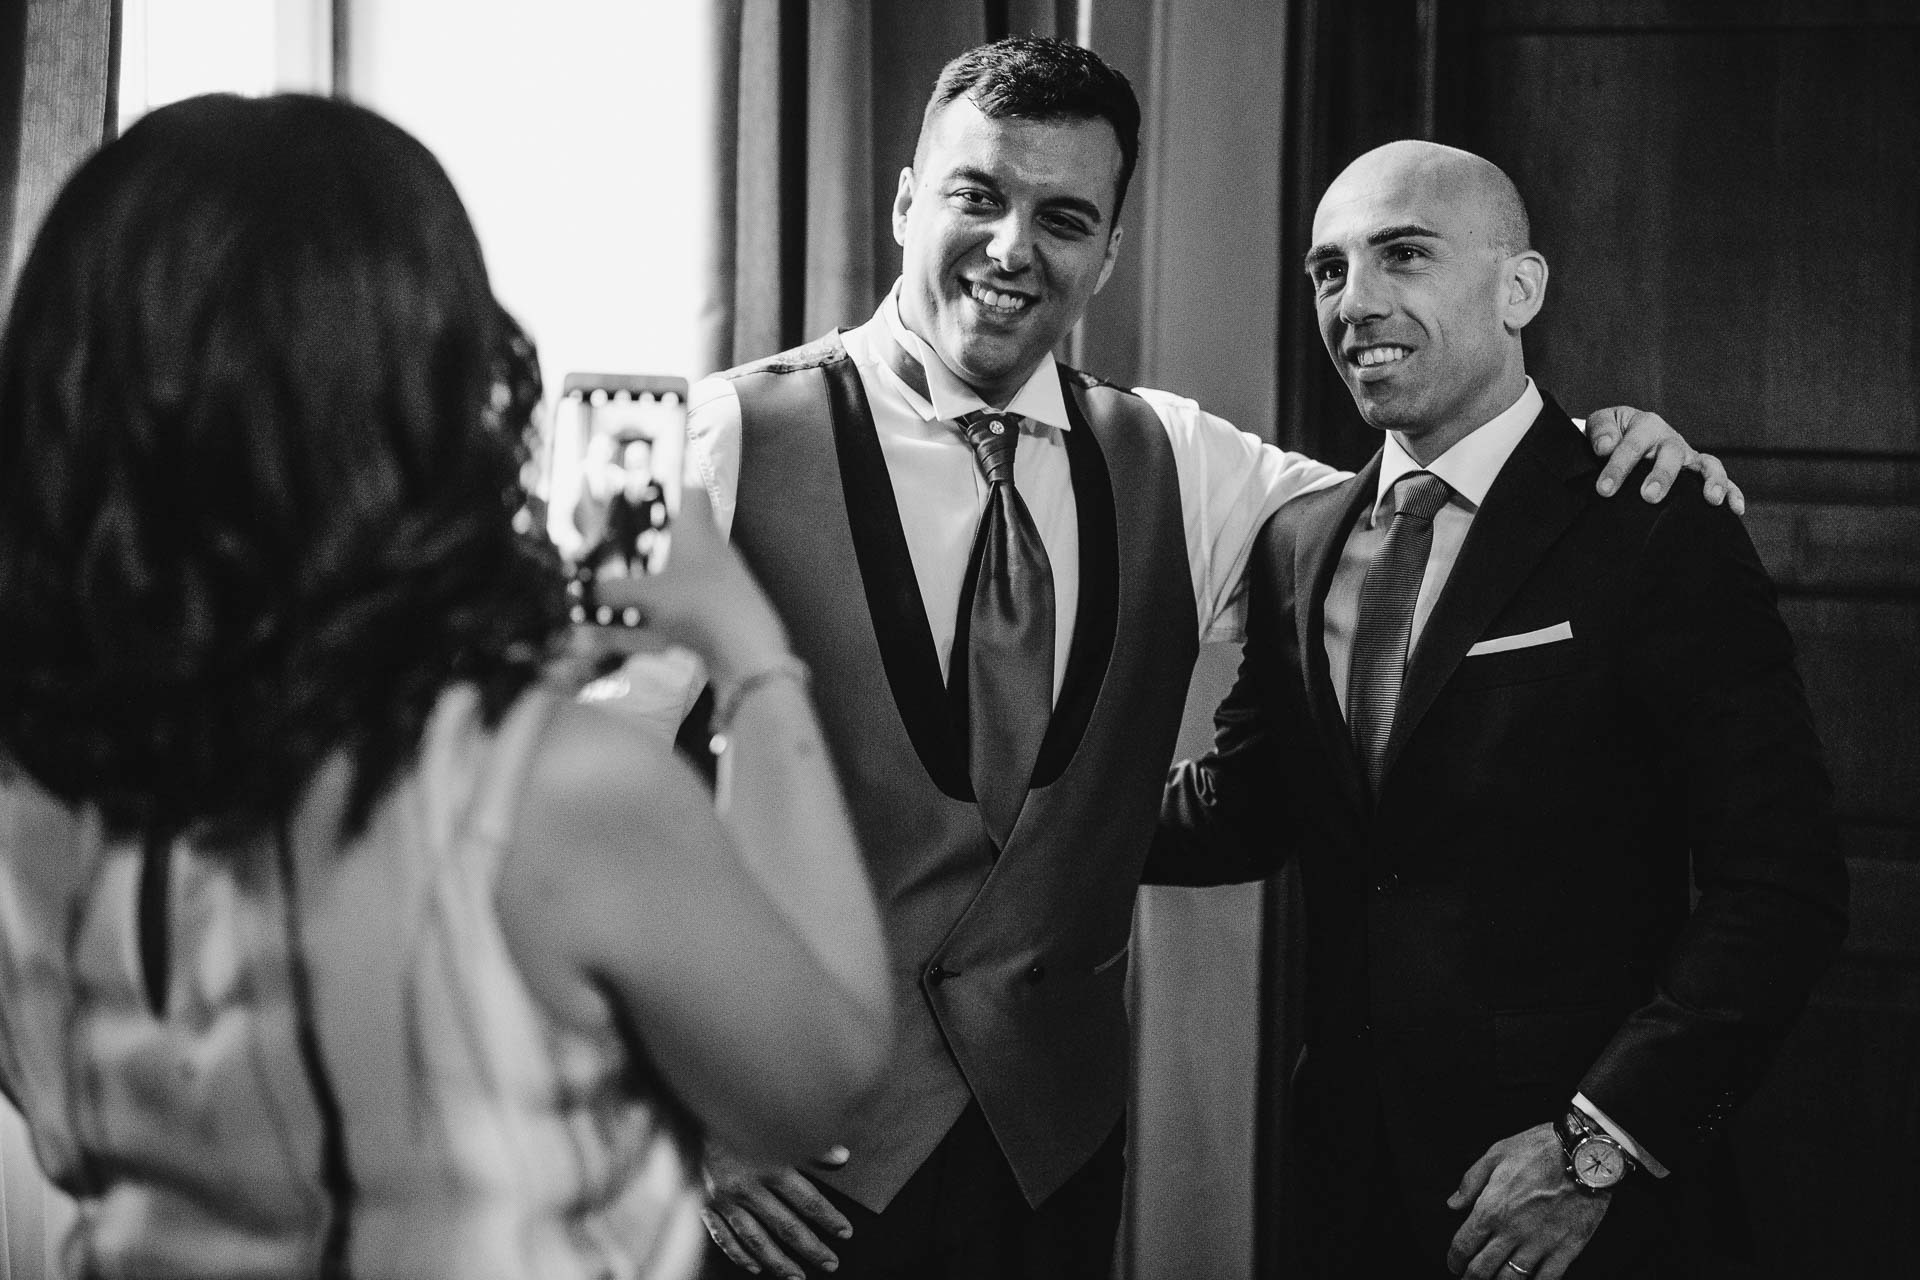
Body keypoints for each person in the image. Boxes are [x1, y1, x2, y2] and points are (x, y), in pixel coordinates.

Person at [677, 37, 1744, 1280]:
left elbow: (1447, 529)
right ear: (908, 201)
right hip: (780, 1155)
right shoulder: (716, 438)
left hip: (1049, 1162)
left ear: (1107, 252)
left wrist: (1610, 452)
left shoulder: (1185, 461)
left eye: (1064, 218)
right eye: (978, 195)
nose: (1014, 248)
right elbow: (561, 797)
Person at [0, 93, 892, 1280]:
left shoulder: (32, 787)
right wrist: (750, 652)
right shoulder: (561, 795)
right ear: (430, 385)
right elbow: (815, 1075)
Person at [1149, 140, 1848, 1279]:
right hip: (1346, 1191)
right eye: (1329, 269)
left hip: (1581, 1206)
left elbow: (1785, 886)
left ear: (1518, 288)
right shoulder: (1297, 546)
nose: (1355, 302)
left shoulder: (1653, 522)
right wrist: (995, 820)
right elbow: (1243, 811)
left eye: (1404, 255)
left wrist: (1599, 1146)